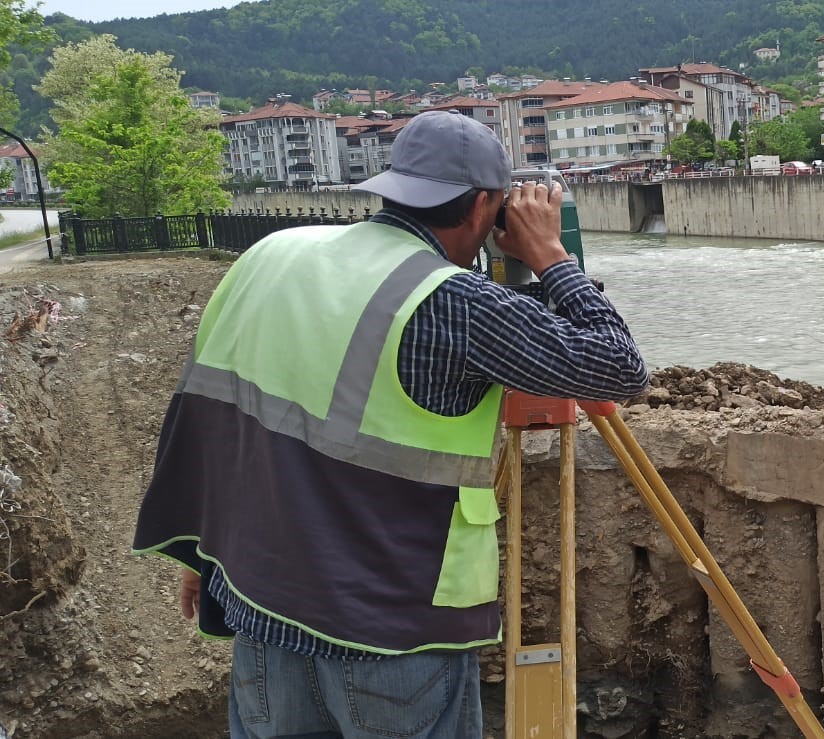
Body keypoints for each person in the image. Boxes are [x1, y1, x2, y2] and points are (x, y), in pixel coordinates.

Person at [132, 110, 650, 738]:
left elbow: (215, 417)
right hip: (391, 635)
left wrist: (202, 549)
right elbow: (618, 368)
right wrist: (550, 257)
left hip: (260, 604)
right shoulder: (455, 302)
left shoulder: (270, 255)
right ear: (487, 204)